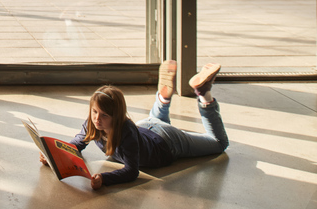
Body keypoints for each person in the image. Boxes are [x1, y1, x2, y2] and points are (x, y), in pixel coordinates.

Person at [41, 61, 228, 189]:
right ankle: (162, 99)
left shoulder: (126, 133)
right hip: (146, 127)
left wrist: (105, 179)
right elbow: (76, 144)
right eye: (95, 112)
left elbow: (131, 171)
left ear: (117, 116)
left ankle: (204, 95)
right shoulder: (94, 124)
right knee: (156, 122)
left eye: (104, 115)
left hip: (167, 142)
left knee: (219, 143)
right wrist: (53, 155)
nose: (97, 119)